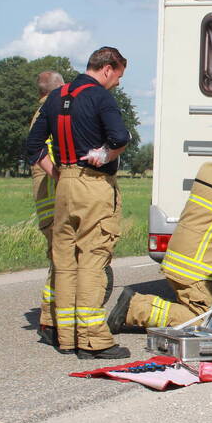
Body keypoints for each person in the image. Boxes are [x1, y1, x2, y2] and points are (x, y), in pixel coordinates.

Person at [25, 47, 131, 359]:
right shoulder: (100, 96)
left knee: (65, 261)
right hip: (93, 185)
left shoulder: (57, 97)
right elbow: (119, 136)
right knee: (92, 259)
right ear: (108, 68)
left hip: (64, 186)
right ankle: (93, 340)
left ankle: (66, 336)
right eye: (119, 76)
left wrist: (57, 173)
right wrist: (106, 155)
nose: (117, 84)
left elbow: (33, 145)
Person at [107, 141, 212, 331]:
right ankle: (137, 308)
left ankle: (139, 306)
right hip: (196, 270)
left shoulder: (208, 170)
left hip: (182, 262)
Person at [30, 70, 64, 346]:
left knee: (58, 260)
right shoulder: (52, 113)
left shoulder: (38, 113)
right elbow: (48, 152)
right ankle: (52, 321)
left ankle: (51, 318)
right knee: (63, 261)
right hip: (57, 200)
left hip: (47, 205)